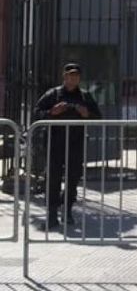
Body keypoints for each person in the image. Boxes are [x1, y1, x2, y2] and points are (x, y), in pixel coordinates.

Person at [33, 63, 102, 228]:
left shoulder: (85, 96)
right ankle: (51, 215)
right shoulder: (53, 94)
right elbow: (35, 113)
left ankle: (67, 210)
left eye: (76, 76)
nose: (73, 78)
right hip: (54, 143)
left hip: (75, 144)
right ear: (64, 77)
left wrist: (87, 114)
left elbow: (98, 117)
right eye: (70, 75)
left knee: (73, 178)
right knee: (53, 179)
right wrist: (51, 112)